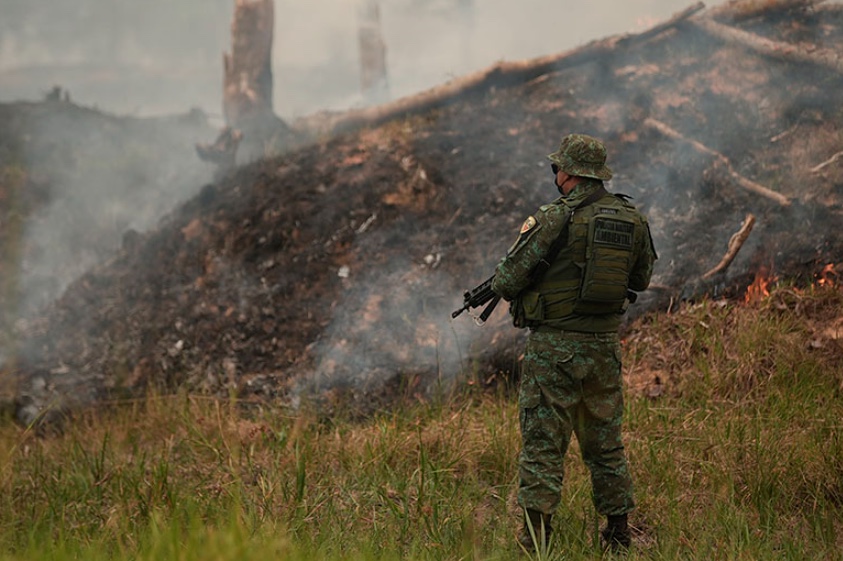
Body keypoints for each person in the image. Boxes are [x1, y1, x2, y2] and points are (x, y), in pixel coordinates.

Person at [491, 133, 656, 553]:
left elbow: (508, 281)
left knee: (544, 444)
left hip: (555, 352)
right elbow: (640, 281)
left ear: (567, 173)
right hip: (603, 348)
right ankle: (618, 534)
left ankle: (536, 541)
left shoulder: (552, 218)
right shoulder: (632, 218)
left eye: (557, 167)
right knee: (605, 442)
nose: (555, 173)